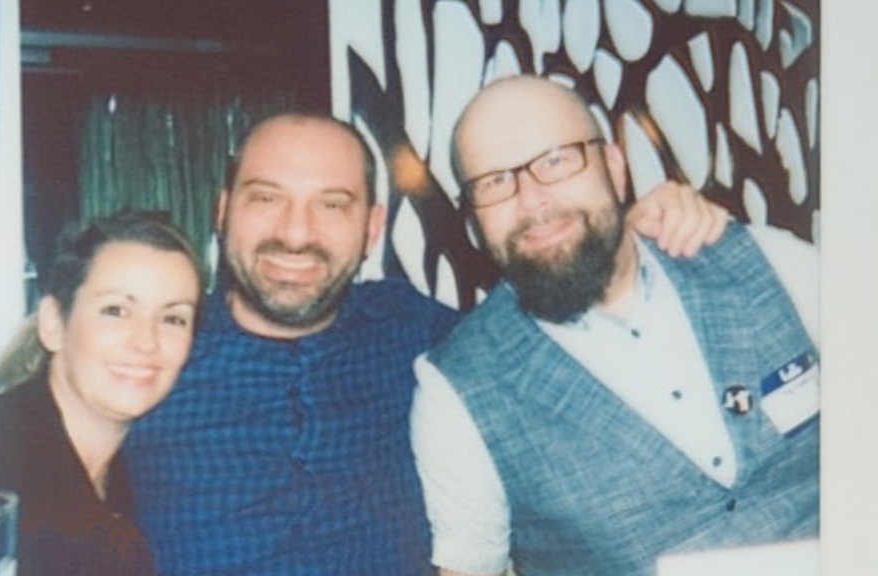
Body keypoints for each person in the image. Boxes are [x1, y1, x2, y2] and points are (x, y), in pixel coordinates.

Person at [117, 111, 728, 576]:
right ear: (223, 212)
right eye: (267, 198)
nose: (295, 234)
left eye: (332, 205)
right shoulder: (152, 357)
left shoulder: (415, 333)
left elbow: (560, 318)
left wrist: (630, 236)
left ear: (372, 229)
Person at [410, 75, 819, 576]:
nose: (532, 200)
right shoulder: (456, 387)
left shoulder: (764, 258)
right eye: (494, 182)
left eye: (556, 160)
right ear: (473, 220)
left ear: (615, 168)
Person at [0, 210, 203, 576]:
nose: (146, 341)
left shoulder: (144, 477)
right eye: (116, 310)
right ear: (54, 323)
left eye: (173, 318)